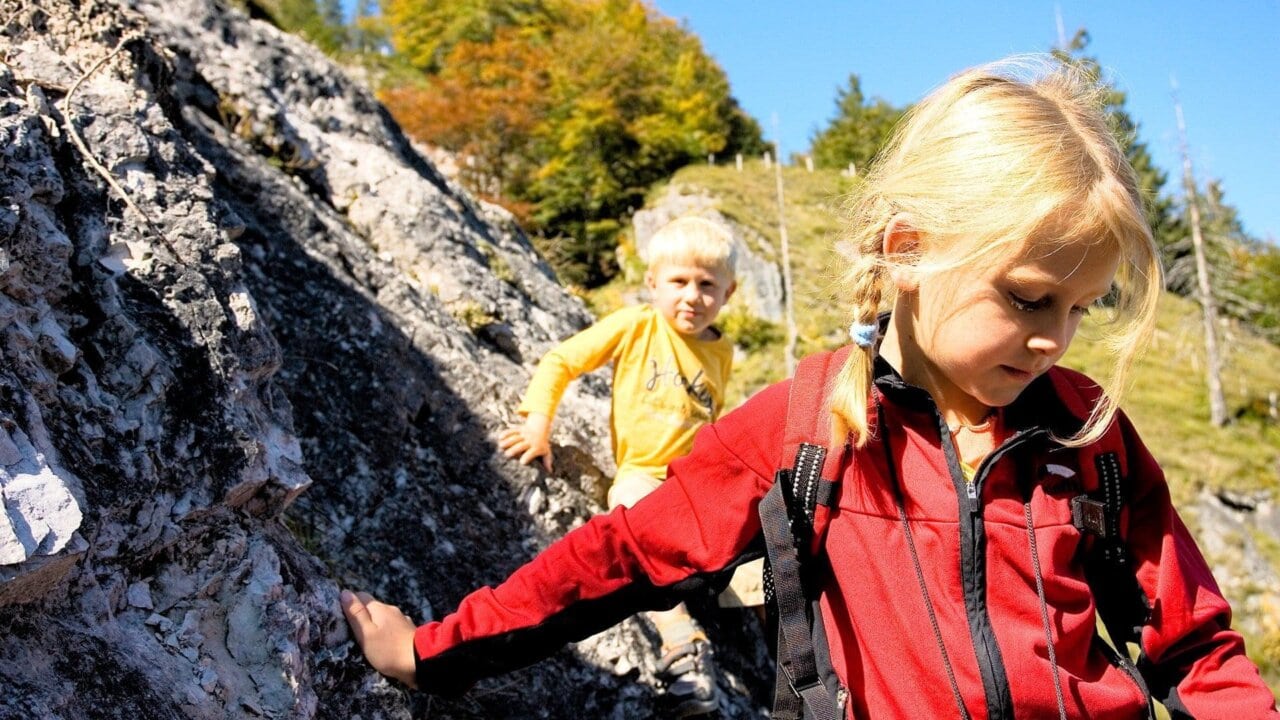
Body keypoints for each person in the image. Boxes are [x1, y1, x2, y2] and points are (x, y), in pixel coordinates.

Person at [341, 56, 1280, 718]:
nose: (1053, 339)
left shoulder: (1091, 438)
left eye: (1081, 308)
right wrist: (430, 652)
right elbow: (621, 559)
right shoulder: (803, 432)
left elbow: (1195, 649)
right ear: (908, 250)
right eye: (1029, 297)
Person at [501, 214, 739, 715]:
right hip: (646, 474)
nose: (692, 296)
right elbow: (562, 361)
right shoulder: (638, 326)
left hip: (698, 482)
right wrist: (538, 426)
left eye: (707, 285)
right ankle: (682, 646)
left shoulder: (722, 351)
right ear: (652, 283)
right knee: (631, 515)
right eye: (678, 281)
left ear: (729, 292)